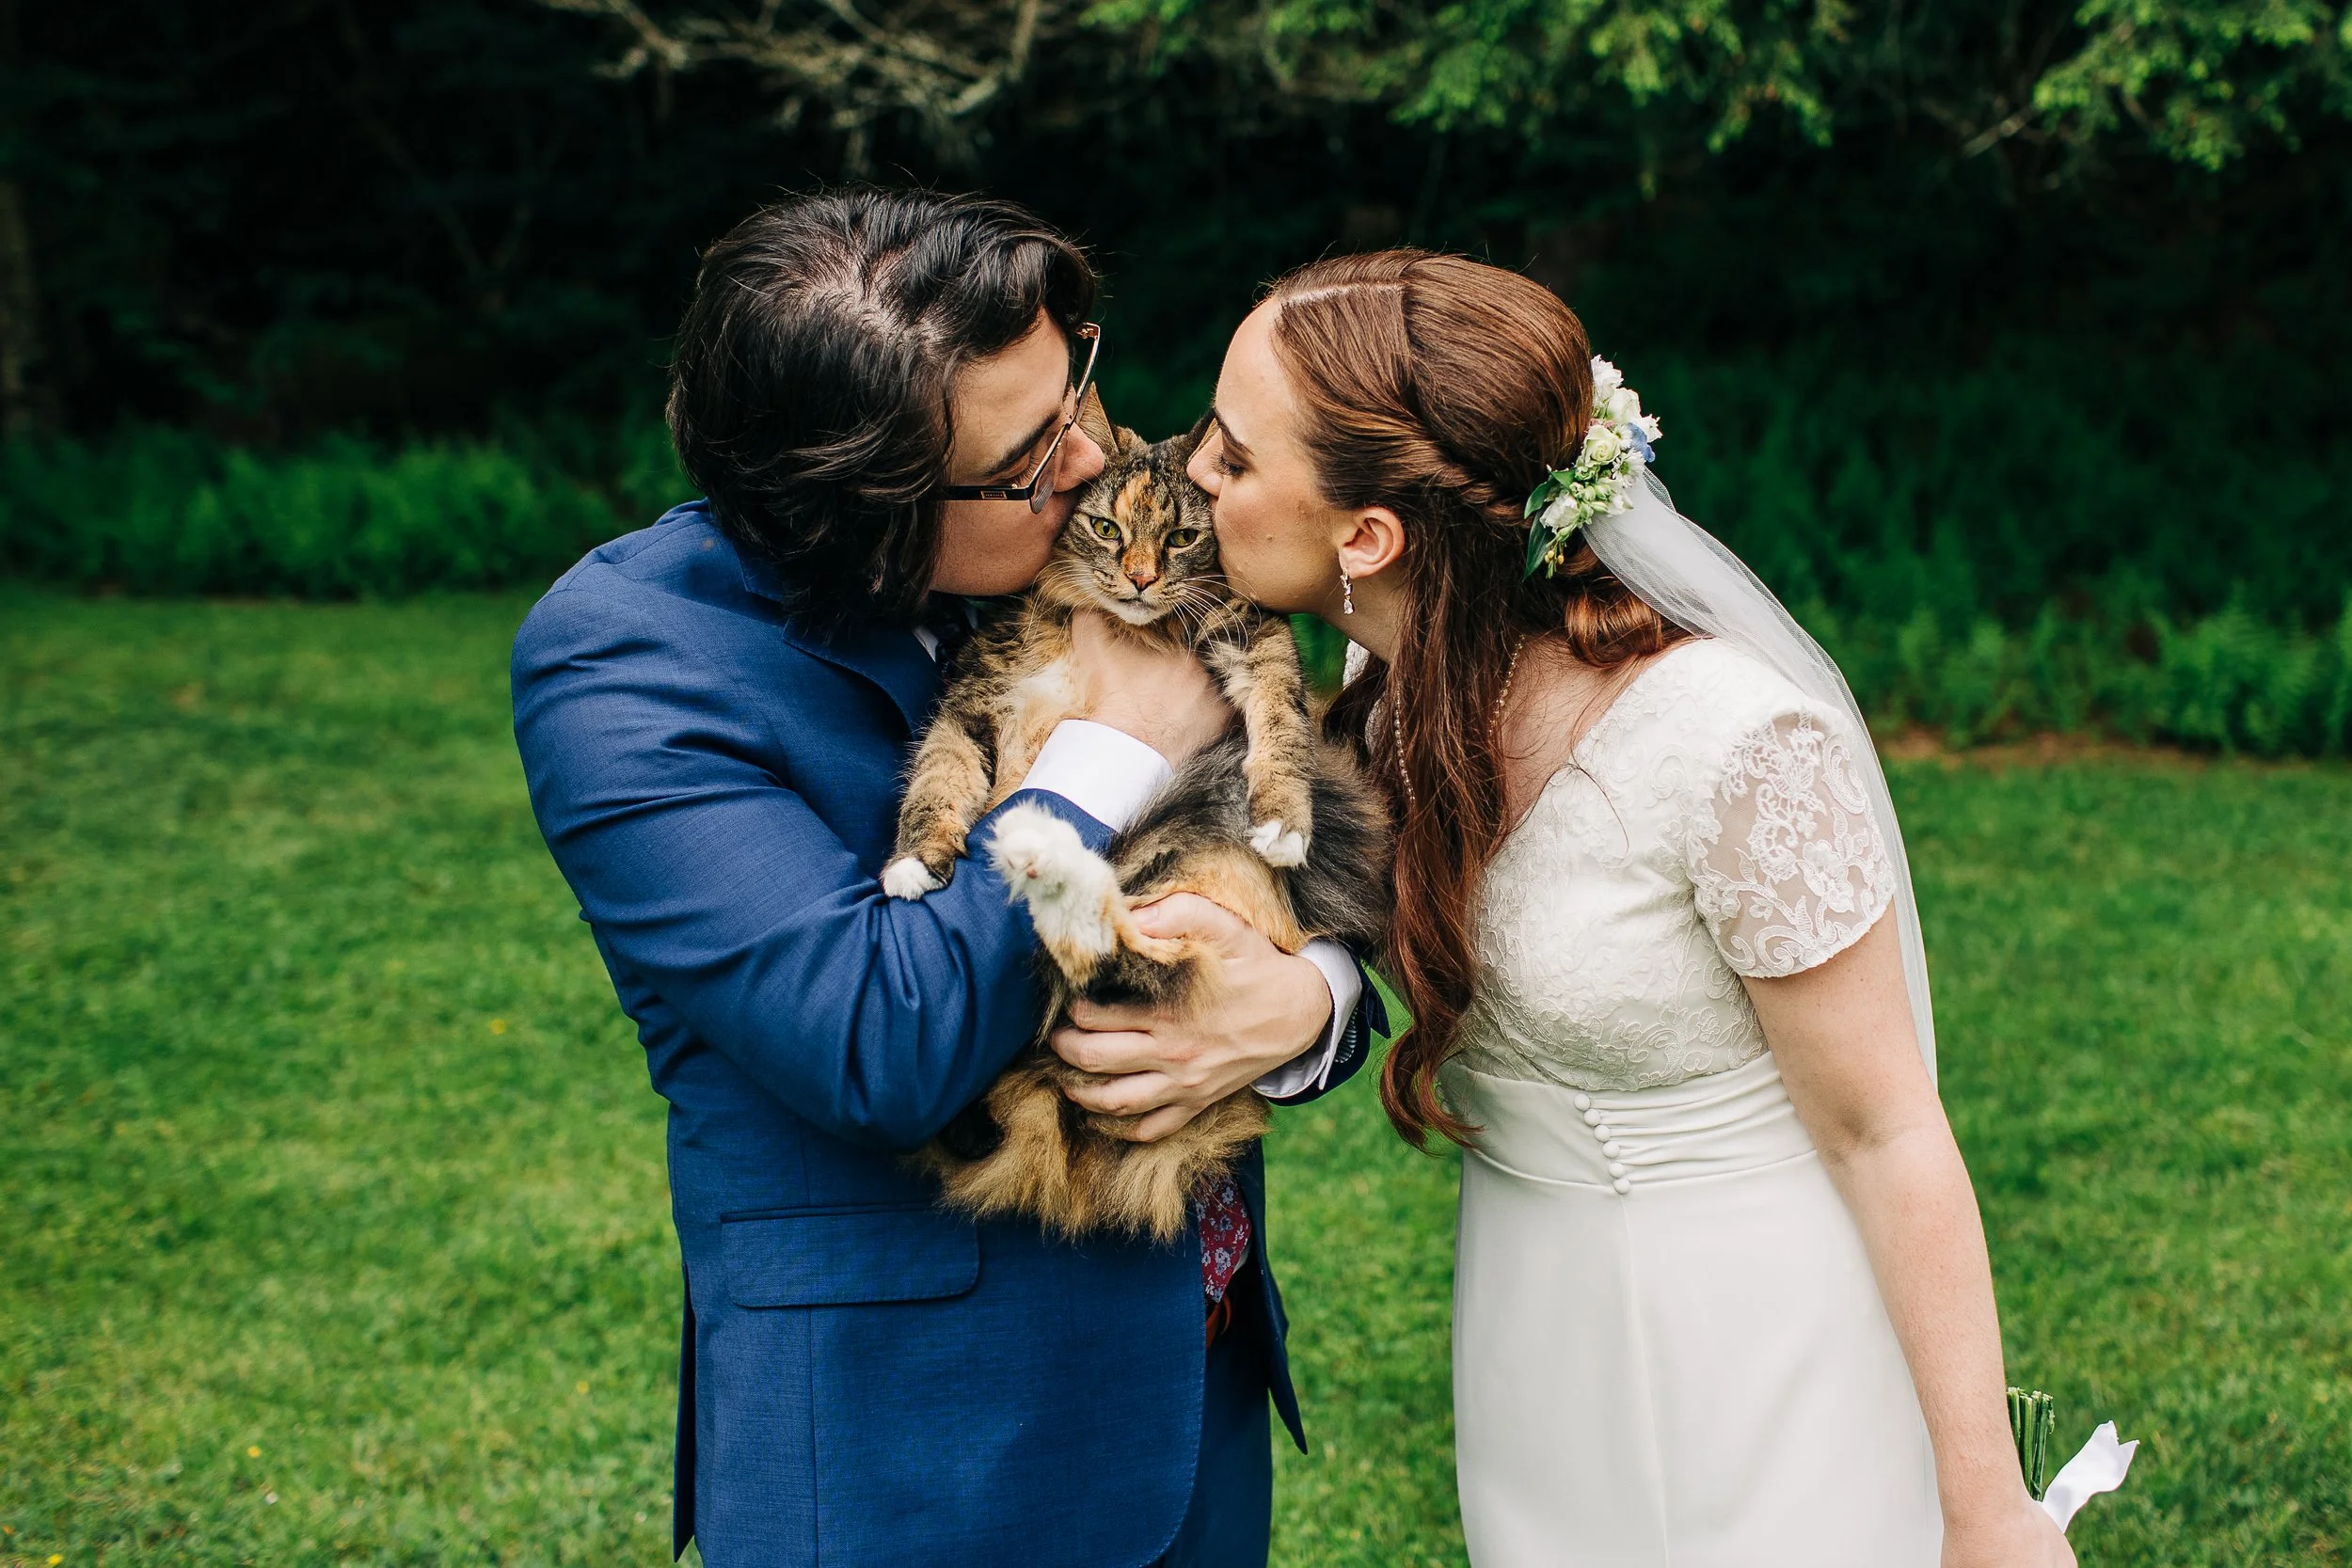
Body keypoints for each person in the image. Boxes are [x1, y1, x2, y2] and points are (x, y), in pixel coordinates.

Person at [510, 189, 1375, 1568]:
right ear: (864, 506)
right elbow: (878, 1038)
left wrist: (1307, 1003)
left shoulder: (1071, 533)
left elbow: (1298, 824)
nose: (1091, 462)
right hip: (912, 1460)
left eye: (1078, 391)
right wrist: (1111, 747)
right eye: (1031, 459)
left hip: (1189, 1396)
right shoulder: (625, 664)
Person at [1185, 248, 2076, 1568]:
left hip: (1750, 1338)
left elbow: (1889, 1127)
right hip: (1530, 1325)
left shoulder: (1731, 745)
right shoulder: (1391, 684)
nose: (1190, 471)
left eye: (1231, 454)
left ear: (1368, 537)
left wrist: (1988, 1505)